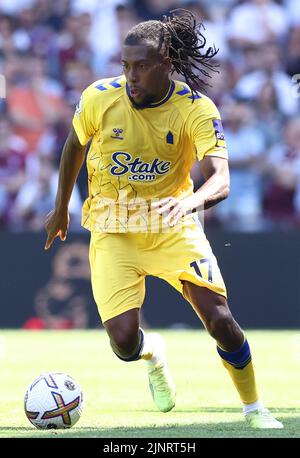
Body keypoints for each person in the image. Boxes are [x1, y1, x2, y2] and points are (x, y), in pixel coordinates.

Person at [44, 9, 282, 429]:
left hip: (173, 226)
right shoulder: (100, 97)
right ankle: (153, 353)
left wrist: (190, 205)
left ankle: (254, 409)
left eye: (141, 67)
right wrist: (61, 206)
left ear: (166, 64)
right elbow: (73, 146)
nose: (131, 76)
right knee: (122, 343)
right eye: (126, 66)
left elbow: (220, 178)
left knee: (222, 321)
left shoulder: (196, 109)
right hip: (113, 231)